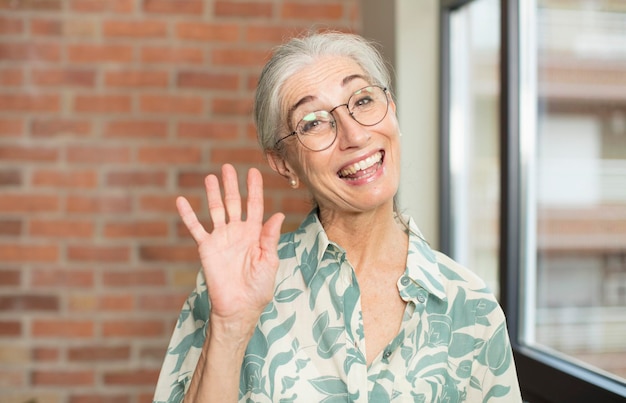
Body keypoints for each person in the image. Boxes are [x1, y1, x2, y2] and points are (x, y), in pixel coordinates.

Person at [153, 31, 522, 402]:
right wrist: (230, 327)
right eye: (313, 122)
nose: (354, 135)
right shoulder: (235, 285)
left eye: (362, 100)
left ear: (391, 109)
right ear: (284, 163)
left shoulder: (471, 306)